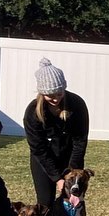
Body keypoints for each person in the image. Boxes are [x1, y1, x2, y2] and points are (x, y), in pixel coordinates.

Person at [23, 57, 89, 207]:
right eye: (50, 95)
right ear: (41, 93)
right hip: (43, 161)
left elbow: (80, 141)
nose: (55, 99)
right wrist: (57, 178)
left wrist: (71, 173)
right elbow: (38, 148)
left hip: (70, 158)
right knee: (45, 203)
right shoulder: (32, 112)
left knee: (72, 203)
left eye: (59, 93)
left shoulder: (77, 104)